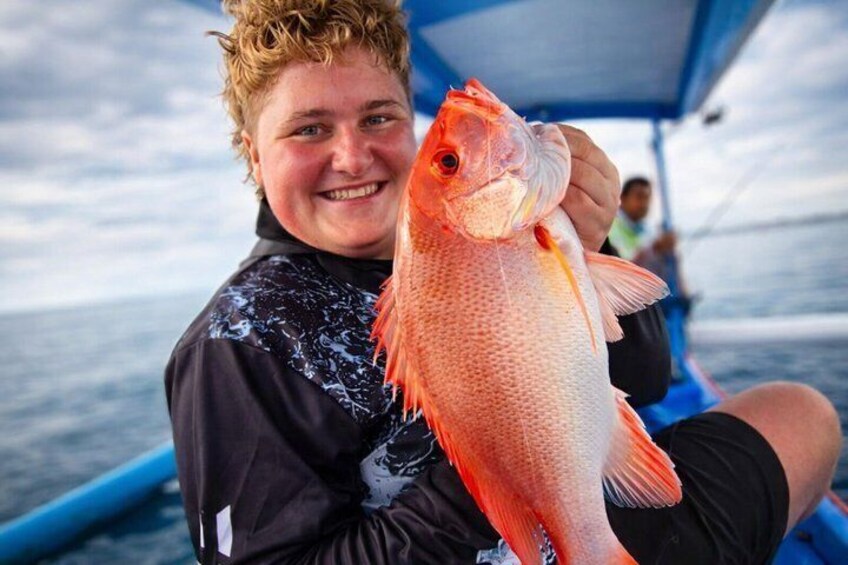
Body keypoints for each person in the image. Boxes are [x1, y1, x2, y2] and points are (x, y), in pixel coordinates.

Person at [164, 2, 842, 564]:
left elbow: (647, 378)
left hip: (587, 506)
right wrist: (501, 466)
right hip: (495, 540)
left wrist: (589, 244)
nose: (352, 155)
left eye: (378, 117)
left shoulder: (463, 234)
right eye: (309, 129)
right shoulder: (238, 343)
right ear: (255, 155)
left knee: (801, 415)